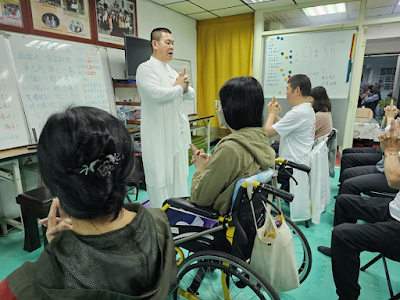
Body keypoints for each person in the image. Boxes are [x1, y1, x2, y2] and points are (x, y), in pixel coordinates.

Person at [0, 107, 176, 299]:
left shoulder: (22, 288)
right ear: (129, 168)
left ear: (46, 181)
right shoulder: (159, 223)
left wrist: (57, 253)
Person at [317, 117, 400, 300]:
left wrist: (392, 151)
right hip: (394, 208)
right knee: (344, 201)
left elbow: (393, 179)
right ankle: (337, 250)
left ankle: (348, 297)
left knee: (342, 234)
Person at [189, 77, 276, 215]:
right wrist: (214, 165)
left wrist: (200, 169)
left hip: (220, 224)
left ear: (232, 109)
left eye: (220, 105)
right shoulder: (262, 139)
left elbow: (200, 198)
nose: (219, 110)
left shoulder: (230, 149)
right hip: (251, 220)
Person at [136, 28, 195, 208]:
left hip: (175, 134)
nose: (172, 47)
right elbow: (155, 93)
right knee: (160, 175)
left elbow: (189, 94)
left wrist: (183, 87)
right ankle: (161, 215)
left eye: (173, 43)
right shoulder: (145, 68)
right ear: (155, 44)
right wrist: (179, 88)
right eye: (167, 42)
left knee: (177, 174)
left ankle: (179, 210)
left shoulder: (170, 71)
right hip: (157, 134)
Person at [264, 74, 315, 189]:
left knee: (260, 162)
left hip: (291, 168)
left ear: (297, 91)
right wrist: (276, 115)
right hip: (301, 162)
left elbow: (267, 133)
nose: (286, 93)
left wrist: (271, 113)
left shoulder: (297, 113)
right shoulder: (307, 109)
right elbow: (291, 126)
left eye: (287, 89)